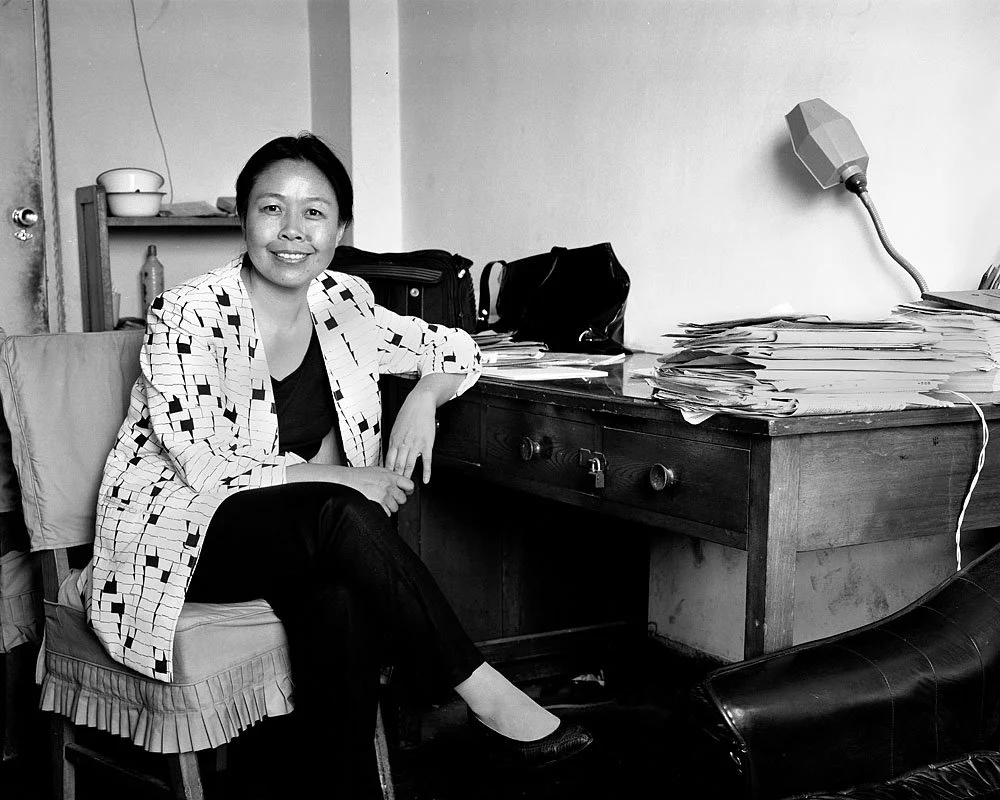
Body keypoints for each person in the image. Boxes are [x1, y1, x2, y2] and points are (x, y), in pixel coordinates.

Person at [88, 132, 592, 796]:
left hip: (289, 534)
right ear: (243, 219)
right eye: (272, 209)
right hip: (183, 534)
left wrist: (425, 395)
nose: (291, 231)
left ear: (340, 228)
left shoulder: (343, 303)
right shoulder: (190, 314)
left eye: (314, 212)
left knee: (342, 596)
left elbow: (460, 348)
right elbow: (204, 466)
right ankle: (483, 692)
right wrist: (342, 476)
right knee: (340, 514)